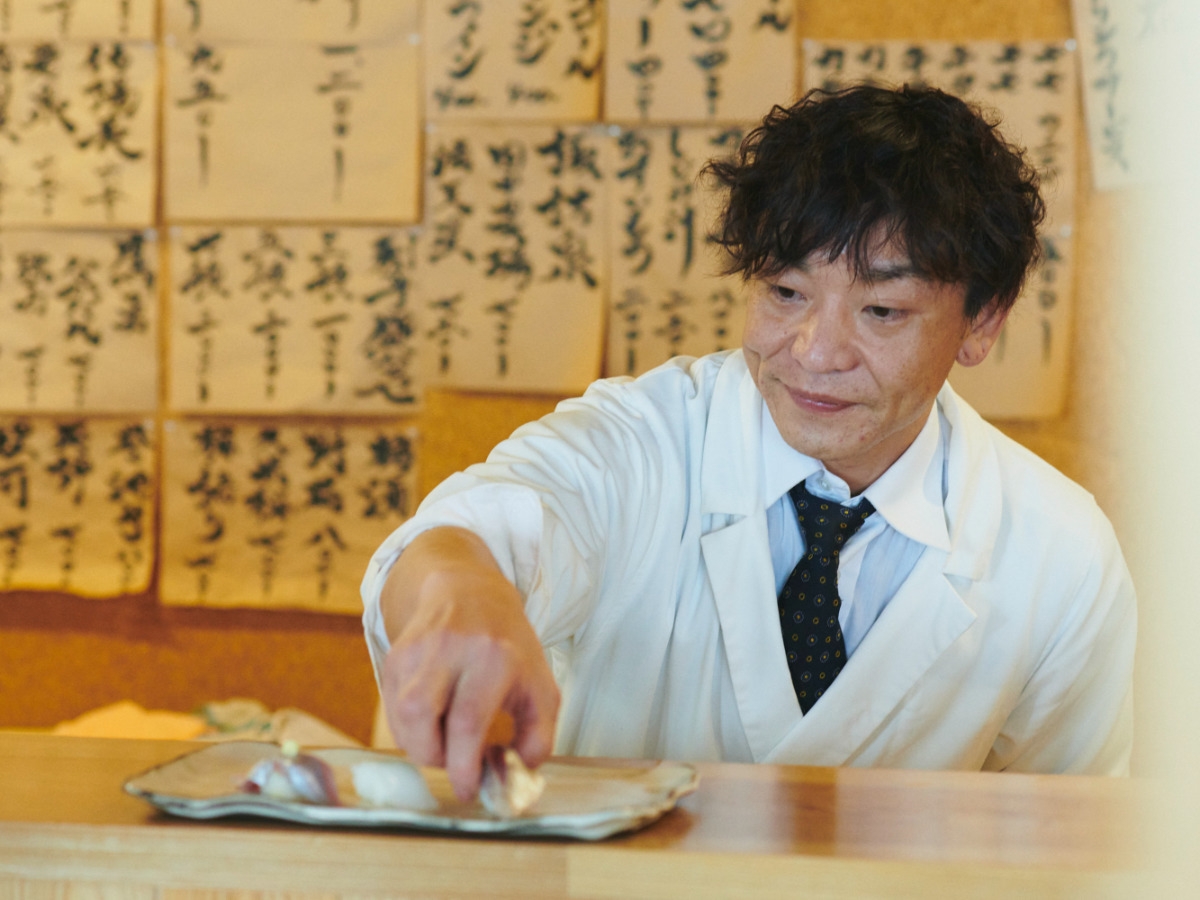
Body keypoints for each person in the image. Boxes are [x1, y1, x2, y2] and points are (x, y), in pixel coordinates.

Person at [360, 84, 1136, 800]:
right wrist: (462, 588)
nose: (814, 350)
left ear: (983, 321)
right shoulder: (646, 441)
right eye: (786, 292)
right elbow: (482, 526)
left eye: (883, 312)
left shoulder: (1060, 554)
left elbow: (1075, 839)